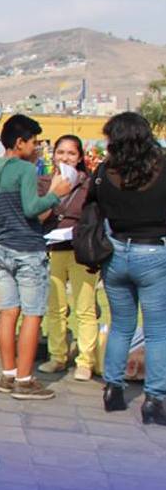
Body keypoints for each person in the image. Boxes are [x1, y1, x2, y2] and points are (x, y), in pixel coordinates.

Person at [0, 114, 71, 401]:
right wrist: (56, 193)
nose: (37, 148)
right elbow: (32, 209)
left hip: (3, 247)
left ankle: (8, 374)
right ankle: (24, 379)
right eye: (34, 142)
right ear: (20, 143)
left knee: (8, 312)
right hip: (28, 250)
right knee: (32, 314)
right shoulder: (24, 169)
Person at [92, 112, 166, 425]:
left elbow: (94, 206)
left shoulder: (104, 172)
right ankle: (154, 399)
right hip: (154, 252)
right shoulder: (162, 168)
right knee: (157, 331)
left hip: (116, 252)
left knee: (121, 324)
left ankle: (113, 389)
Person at [36, 135, 99, 381]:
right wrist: (54, 191)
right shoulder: (43, 182)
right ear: (53, 155)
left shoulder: (89, 184)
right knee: (55, 308)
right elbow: (38, 215)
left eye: (71, 153)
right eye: (61, 152)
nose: (65, 158)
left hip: (81, 250)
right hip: (52, 248)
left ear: (80, 157)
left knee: (85, 308)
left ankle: (86, 361)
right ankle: (57, 356)